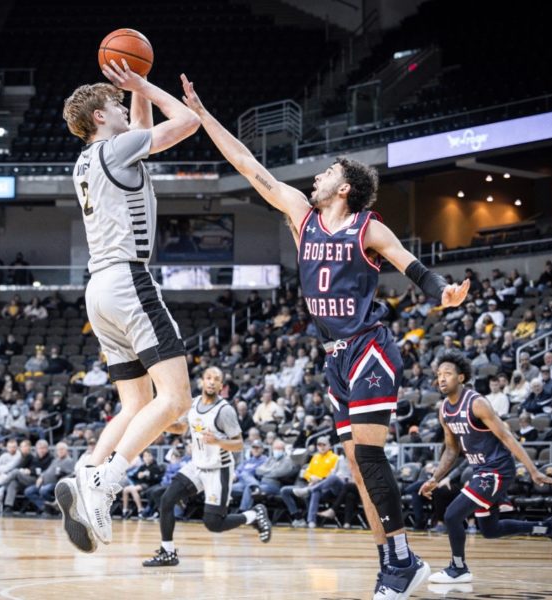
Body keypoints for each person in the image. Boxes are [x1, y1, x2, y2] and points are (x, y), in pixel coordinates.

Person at [180, 73, 471, 599]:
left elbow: (416, 269)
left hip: (369, 349)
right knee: (357, 467)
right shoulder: (302, 216)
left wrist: (444, 292)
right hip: (333, 355)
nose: (317, 176)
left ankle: (401, 562)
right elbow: (248, 164)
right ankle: (395, 562)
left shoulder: (367, 227)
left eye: (328, 172)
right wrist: (202, 114)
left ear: (345, 188)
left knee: (371, 457)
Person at [53, 58, 202, 554]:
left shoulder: (92, 158)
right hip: (129, 281)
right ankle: (107, 483)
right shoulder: (114, 149)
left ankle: (86, 474)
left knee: (137, 404)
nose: (122, 108)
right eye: (113, 103)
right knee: (177, 400)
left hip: (99, 290)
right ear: (99, 118)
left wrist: (133, 88)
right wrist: (146, 83)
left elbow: (141, 128)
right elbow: (186, 122)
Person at [419, 351, 552, 585]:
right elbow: (451, 451)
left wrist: (532, 469)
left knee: (452, 515)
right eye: (439, 374)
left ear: (461, 377)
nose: (441, 378)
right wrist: (435, 478)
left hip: (498, 470)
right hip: (482, 472)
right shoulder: (444, 411)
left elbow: (507, 436)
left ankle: (458, 568)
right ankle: (548, 528)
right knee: (489, 529)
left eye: (447, 374)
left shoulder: (476, 403)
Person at [142, 367, 271, 567]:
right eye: (208, 378)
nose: (211, 382)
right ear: (202, 381)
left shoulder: (224, 410)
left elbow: (238, 444)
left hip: (219, 469)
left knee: (214, 523)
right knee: (166, 500)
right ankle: (168, 552)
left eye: (216, 379)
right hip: (197, 466)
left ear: (221, 385)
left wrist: (218, 441)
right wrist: (160, 422)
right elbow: (181, 428)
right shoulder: (193, 404)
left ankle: (254, 515)